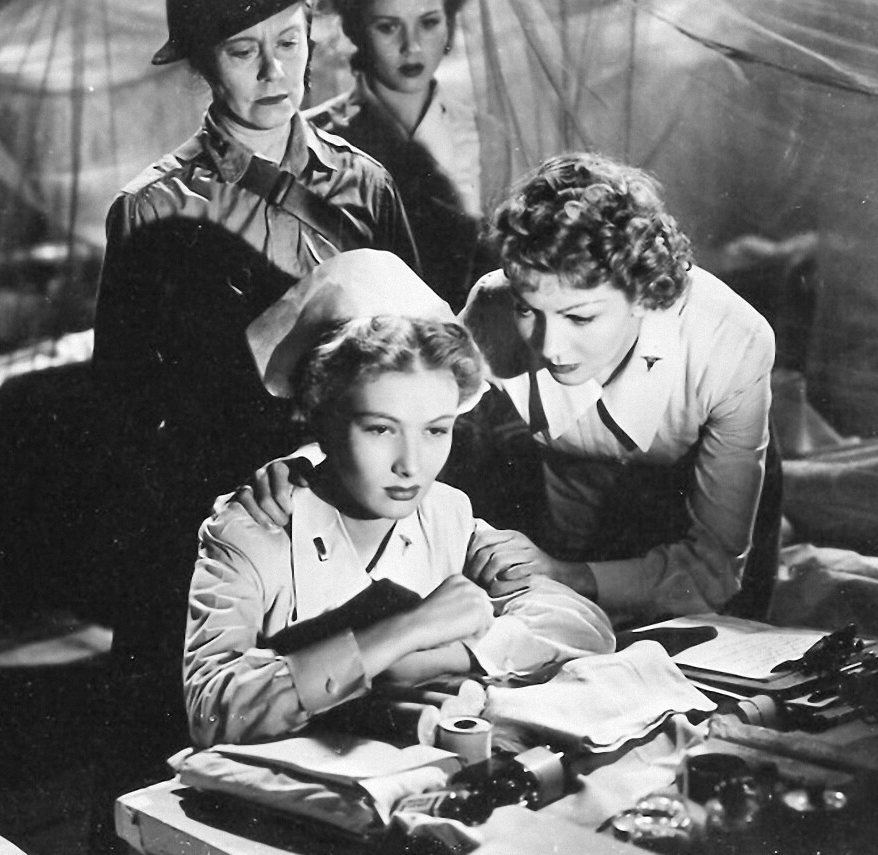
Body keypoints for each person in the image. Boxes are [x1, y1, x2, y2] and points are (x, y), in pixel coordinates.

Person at [87, 0, 420, 836]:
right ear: (202, 60)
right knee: (187, 782)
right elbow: (122, 417)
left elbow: (420, 361)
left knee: (346, 777)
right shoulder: (152, 206)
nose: (274, 73)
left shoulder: (365, 185)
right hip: (213, 521)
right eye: (243, 51)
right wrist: (219, 502)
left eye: (289, 43)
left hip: (350, 507)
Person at [232, 152, 779, 629]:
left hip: (693, 517)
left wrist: (568, 574)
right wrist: (308, 467)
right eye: (528, 310)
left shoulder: (732, 341)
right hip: (569, 509)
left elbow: (713, 568)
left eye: (581, 317)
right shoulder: (494, 308)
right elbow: (405, 406)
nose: (551, 347)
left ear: (642, 296)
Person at [185, 249, 614, 747]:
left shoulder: (448, 515)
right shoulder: (253, 530)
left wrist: (447, 657)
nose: (411, 465)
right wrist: (405, 632)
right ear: (319, 416)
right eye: (380, 429)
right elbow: (210, 709)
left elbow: (585, 625)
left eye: (436, 430)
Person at [304, 0, 495, 309]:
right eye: (388, 27)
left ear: (449, 24)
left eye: (429, 23)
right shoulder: (311, 137)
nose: (412, 46)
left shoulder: (485, 135)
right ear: (355, 29)